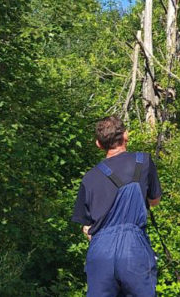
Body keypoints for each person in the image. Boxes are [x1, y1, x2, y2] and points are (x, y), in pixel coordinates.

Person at [72, 116, 162, 296]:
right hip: (133, 250)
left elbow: (86, 227)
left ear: (99, 144)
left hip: (100, 253)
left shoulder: (89, 178)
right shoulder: (143, 162)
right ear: (126, 135)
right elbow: (154, 200)